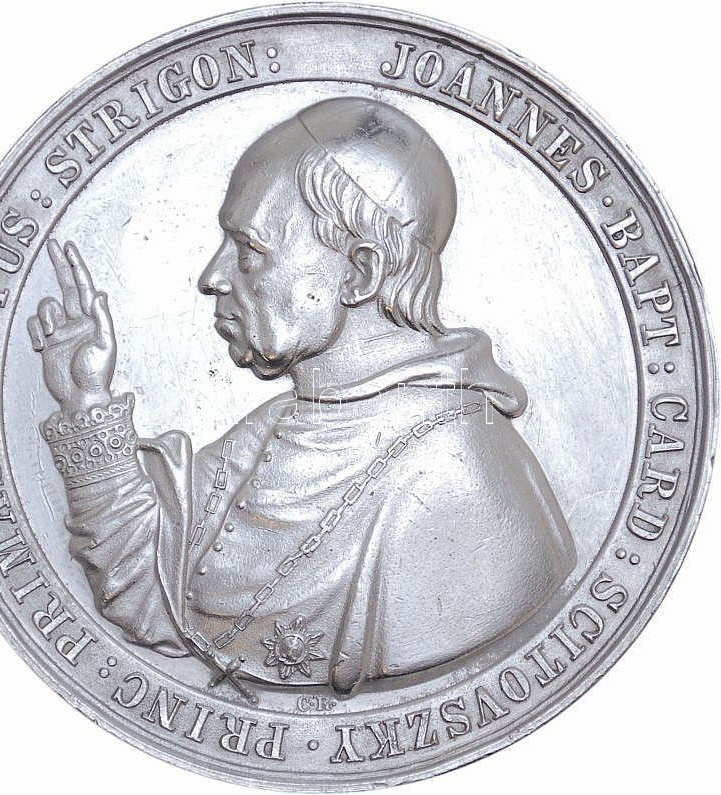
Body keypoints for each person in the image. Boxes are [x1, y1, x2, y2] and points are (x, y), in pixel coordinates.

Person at [29, 97, 576, 698]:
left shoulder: (457, 476)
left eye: (249, 251)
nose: (212, 277)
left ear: (359, 274)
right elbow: (149, 593)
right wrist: (85, 402)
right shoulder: (275, 427)